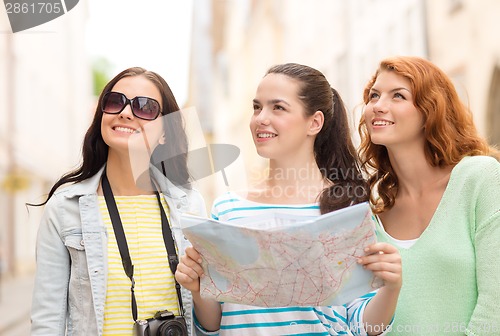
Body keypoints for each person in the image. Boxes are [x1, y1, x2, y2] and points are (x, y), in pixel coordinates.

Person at [175, 63, 402, 335]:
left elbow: (361, 324)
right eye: (257, 107)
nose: (261, 118)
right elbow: (214, 324)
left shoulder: (347, 208)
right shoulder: (228, 209)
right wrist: (198, 287)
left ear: (314, 122)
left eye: (278, 108)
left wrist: (391, 288)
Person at [30, 67, 206, 335]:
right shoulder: (65, 208)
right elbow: (47, 321)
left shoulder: (191, 206)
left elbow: (210, 319)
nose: (125, 112)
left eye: (144, 107)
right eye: (115, 102)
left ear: (165, 131)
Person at [358, 56, 500, 335]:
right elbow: (363, 322)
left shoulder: (480, 179)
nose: (378, 106)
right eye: (374, 95)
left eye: (398, 96)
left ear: (430, 110)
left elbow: (496, 306)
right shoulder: (369, 216)